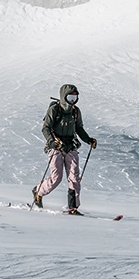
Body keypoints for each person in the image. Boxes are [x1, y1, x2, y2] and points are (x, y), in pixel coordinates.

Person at [32, 83, 97, 214]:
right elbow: (45, 128)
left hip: (71, 145)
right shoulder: (55, 110)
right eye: (70, 98)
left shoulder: (76, 111)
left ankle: (73, 207)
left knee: (74, 177)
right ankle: (38, 191)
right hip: (55, 146)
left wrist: (88, 140)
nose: (72, 101)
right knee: (56, 177)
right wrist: (52, 141)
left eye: (75, 98)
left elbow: (79, 129)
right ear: (64, 97)